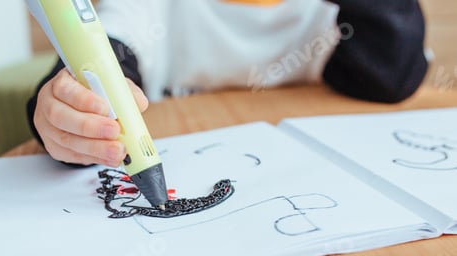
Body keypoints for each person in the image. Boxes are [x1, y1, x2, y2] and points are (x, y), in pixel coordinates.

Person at [27, 0, 429, 168]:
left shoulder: (333, 15)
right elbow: (98, 61)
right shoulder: (154, 7)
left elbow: (393, 74)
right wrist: (62, 115)